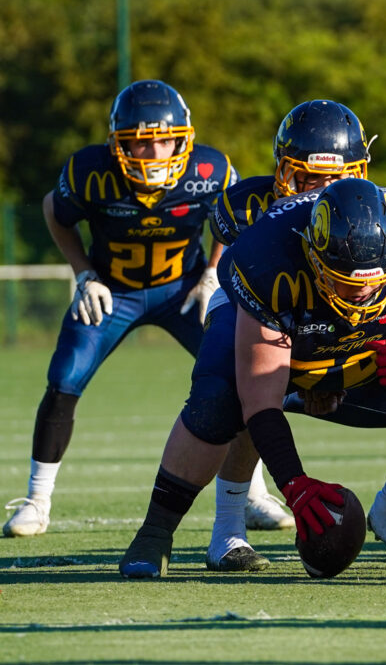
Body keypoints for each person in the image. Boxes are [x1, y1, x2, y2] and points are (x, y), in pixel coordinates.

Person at [118, 177, 386, 578]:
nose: (362, 294)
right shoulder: (268, 256)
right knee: (218, 397)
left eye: (377, 282)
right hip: (291, 338)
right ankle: (155, 533)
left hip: (379, 343)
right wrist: (294, 484)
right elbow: (260, 400)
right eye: (345, 282)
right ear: (314, 256)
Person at [205, 99, 386, 566]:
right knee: (238, 397)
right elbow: (248, 308)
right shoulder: (248, 209)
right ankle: (228, 526)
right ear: (283, 171)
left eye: (341, 176)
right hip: (281, 341)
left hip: (355, 343)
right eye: (309, 177)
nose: (324, 190)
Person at [2, 80, 241, 539]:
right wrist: (83, 273)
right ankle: (37, 499)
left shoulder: (210, 170)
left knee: (235, 376)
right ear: (118, 145)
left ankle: (247, 497)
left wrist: (213, 271)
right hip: (113, 291)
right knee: (65, 376)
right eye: (139, 143)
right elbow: (55, 210)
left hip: (184, 291)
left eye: (163, 141)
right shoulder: (91, 171)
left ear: (183, 138)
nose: (153, 154)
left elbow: (229, 219)